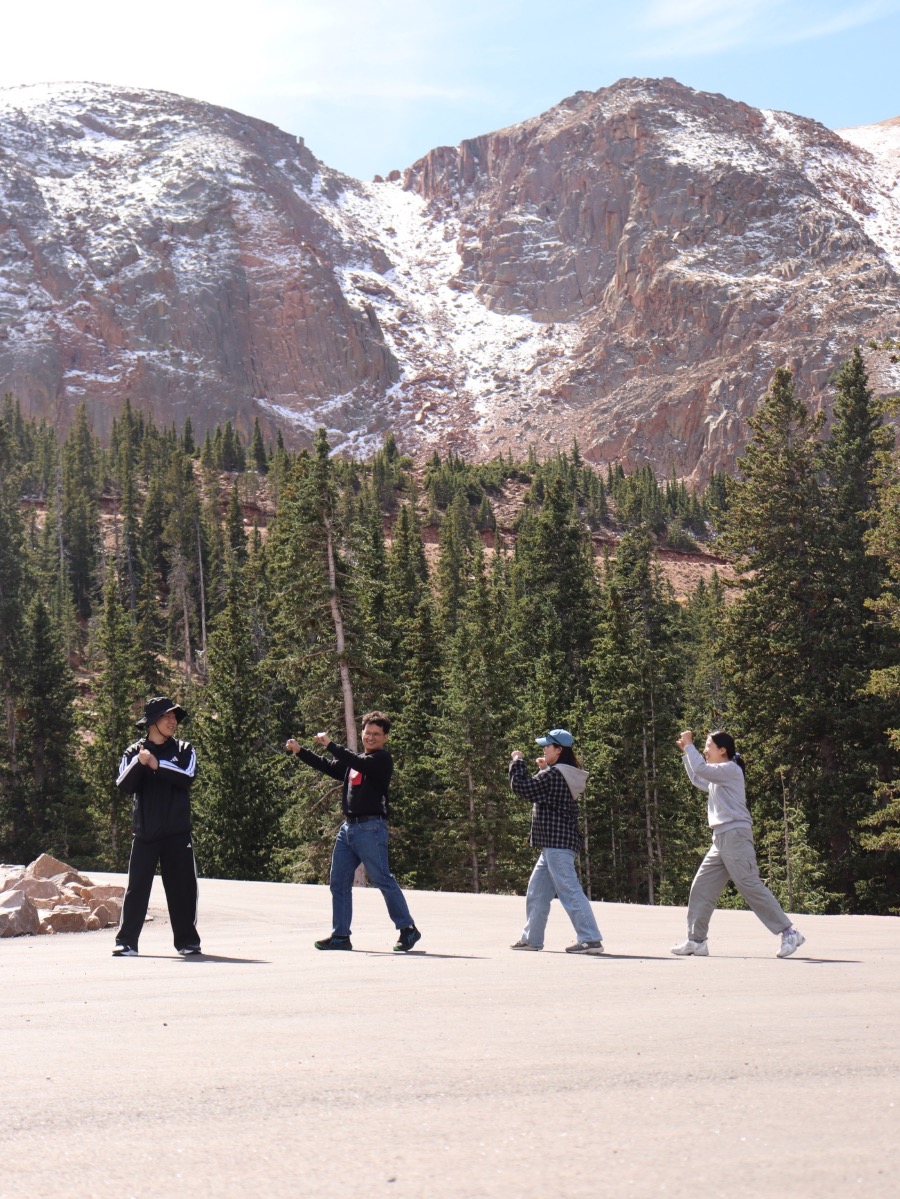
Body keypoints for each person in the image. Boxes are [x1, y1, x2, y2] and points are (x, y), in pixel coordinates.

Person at [286, 711, 421, 953]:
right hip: (348, 829)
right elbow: (329, 766)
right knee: (338, 882)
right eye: (367, 733)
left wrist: (330, 744)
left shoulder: (382, 759)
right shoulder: (355, 762)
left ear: (385, 738)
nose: (371, 737)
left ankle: (408, 929)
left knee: (382, 879)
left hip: (371, 828)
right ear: (362, 733)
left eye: (376, 734)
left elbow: (357, 763)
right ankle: (340, 935)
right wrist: (301, 751)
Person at [672, 729, 805, 958]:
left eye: (708, 746)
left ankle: (789, 932)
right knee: (702, 887)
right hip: (721, 838)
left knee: (750, 886)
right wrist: (687, 752)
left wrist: (690, 746)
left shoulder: (730, 770)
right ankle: (697, 941)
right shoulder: (718, 775)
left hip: (735, 835)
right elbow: (697, 777)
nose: (704, 750)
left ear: (722, 750)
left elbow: (701, 769)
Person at [113, 697, 201, 957]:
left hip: (177, 833)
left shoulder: (185, 749)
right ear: (152, 722)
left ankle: (187, 941)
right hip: (145, 834)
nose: (173, 721)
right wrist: (141, 763)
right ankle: (126, 942)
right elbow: (123, 784)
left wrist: (157, 765)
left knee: (183, 889)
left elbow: (187, 777)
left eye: (175, 717)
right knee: (137, 889)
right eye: (167, 717)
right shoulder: (134, 752)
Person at [508, 728, 604, 954]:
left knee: (569, 890)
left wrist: (517, 761)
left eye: (547, 746)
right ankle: (532, 939)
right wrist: (544, 768)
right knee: (537, 892)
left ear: (559, 750)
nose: (544, 748)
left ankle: (590, 939)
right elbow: (550, 790)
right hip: (554, 844)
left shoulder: (553, 775)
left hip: (557, 845)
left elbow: (522, 787)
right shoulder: (561, 773)